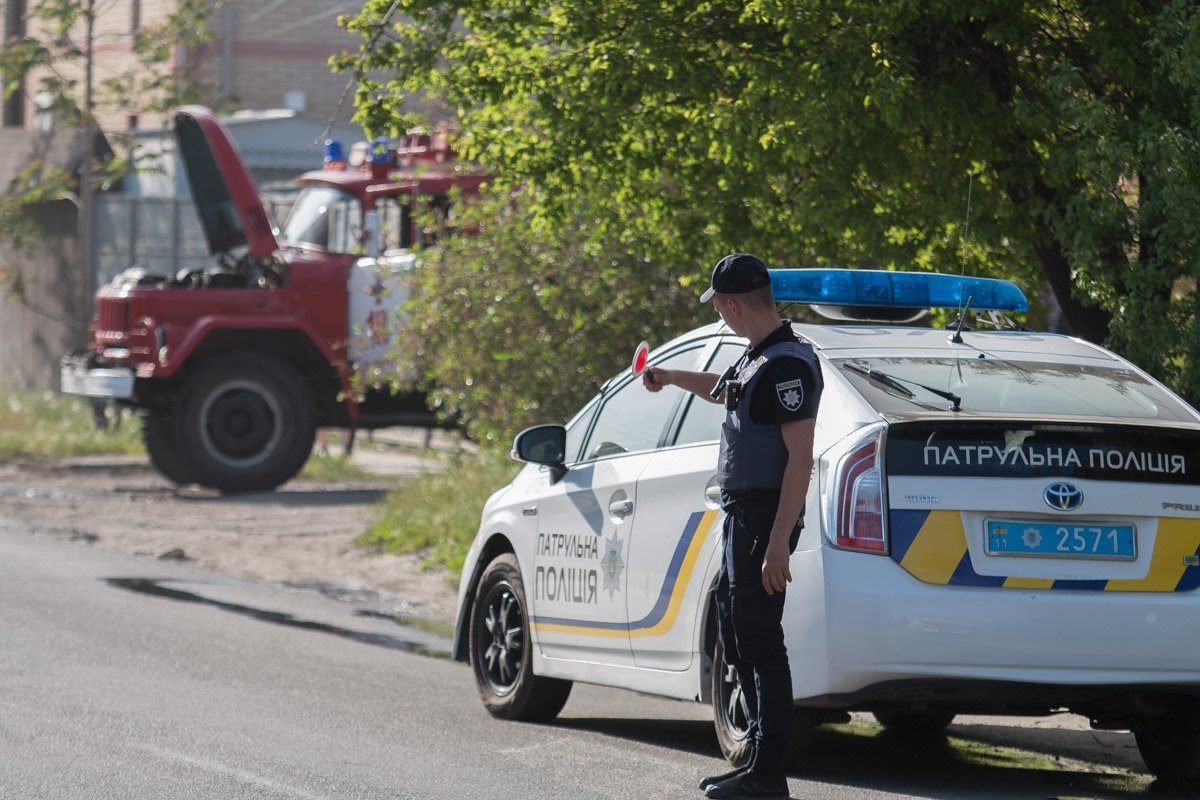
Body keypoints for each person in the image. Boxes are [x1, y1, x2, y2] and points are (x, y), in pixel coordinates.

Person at [643, 253, 822, 800]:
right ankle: (755, 760)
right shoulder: (756, 358)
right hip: (742, 515)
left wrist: (776, 546)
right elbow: (723, 389)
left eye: (720, 306)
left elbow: (800, 460)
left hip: (766, 515)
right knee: (736, 628)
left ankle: (769, 776)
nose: (720, 314)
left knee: (762, 641)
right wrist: (672, 377)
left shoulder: (787, 364)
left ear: (733, 304)